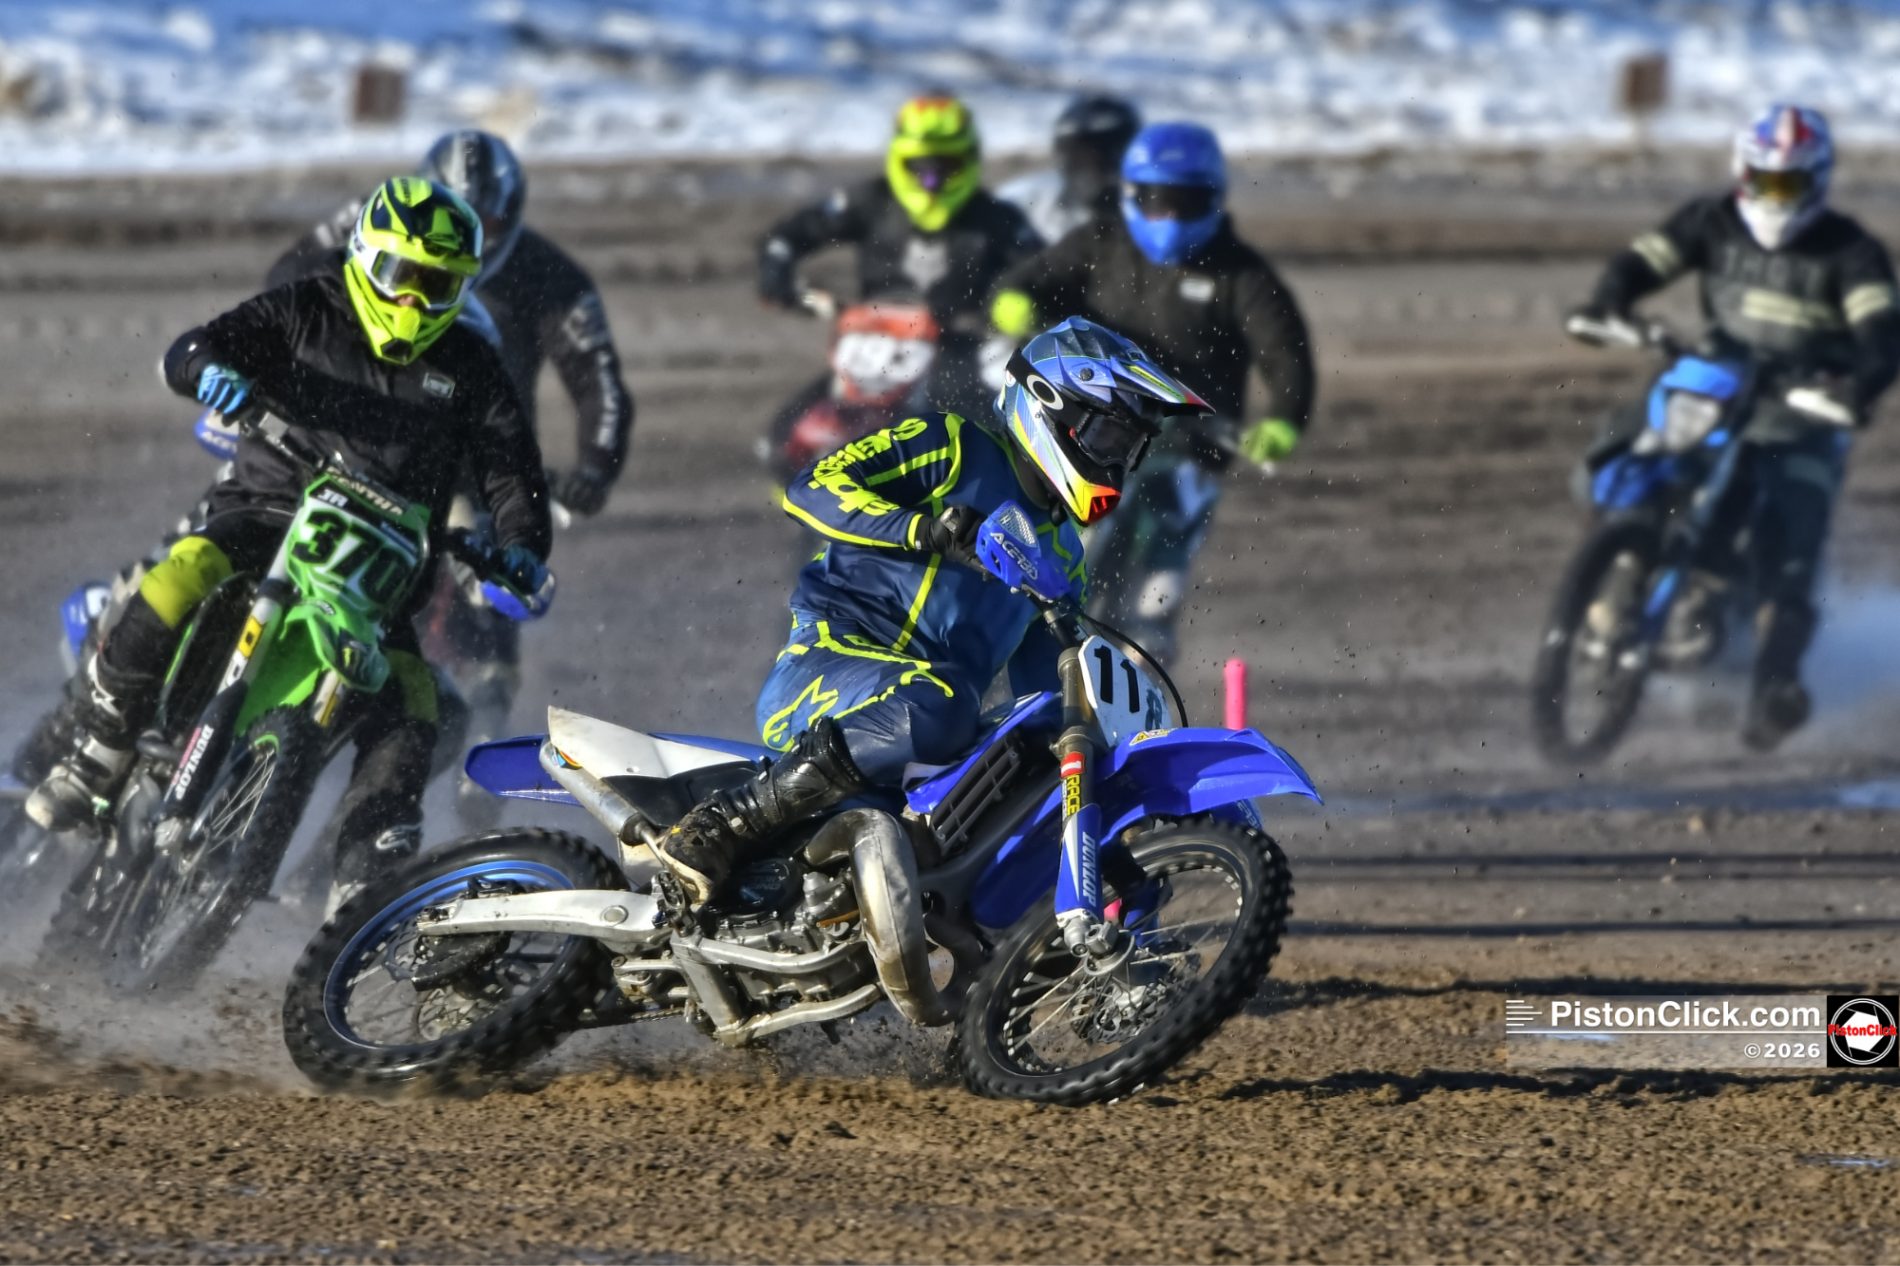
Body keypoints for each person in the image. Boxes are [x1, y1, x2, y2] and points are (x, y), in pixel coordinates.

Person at [27, 178, 553, 897]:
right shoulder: (308, 307)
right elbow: (198, 346)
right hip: (268, 513)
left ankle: (363, 866)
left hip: (384, 571)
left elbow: (512, 471)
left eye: (437, 286)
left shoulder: (471, 366)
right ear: (366, 257)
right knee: (179, 573)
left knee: (419, 705)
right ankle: (101, 746)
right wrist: (211, 372)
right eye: (402, 277)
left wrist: (522, 544)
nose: (412, 302)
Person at [651, 318, 1210, 906]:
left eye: (1131, 450)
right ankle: (725, 823)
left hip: (924, 720)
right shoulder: (953, 444)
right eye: (1110, 440)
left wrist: (1111, 810)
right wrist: (922, 529)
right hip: (829, 663)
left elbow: (1048, 695)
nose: (1117, 462)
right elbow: (811, 487)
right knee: (942, 704)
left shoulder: (1064, 557)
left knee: (1028, 761)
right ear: (1055, 406)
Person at [270, 129, 634, 789]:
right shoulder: (375, 216)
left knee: (487, 574)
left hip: (460, 458)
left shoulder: (552, 277)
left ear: (512, 218)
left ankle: (478, 739)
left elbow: (600, 380)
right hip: (335, 420)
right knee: (246, 495)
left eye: (489, 223)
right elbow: (284, 281)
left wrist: (593, 470)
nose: (475, 237)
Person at [1570, 103, 1900, 749]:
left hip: (1803, 414)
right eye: (1761, 181)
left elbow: (1882, 336)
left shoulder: (1853, 253)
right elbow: (1642, 261)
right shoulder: (1710, 221)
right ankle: (1609, 584)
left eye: (1788, 186)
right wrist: (1609, 304)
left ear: (1817, 182)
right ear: (1741, 174)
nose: (1772, 199)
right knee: (1624, 448)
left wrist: (1855, 387)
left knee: (1794, 544)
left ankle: (1776, 686)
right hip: (1713, 385)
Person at [989, 121, 1315, 660]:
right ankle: (1038, 615)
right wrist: (1013, 303)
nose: (1169, 217)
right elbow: (1027, 280)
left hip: (1196, 442)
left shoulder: (1242, 275)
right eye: (1157, 201)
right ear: (1132, 196)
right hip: (1095, 428)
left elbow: (1286, 353)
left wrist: (1283, 419)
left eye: (1186, 203)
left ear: (1213, 200)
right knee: (1065, 526)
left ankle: (1149, 632)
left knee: (1171, 536)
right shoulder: (1100, 242)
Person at [756, 93, 1043, 430]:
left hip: (962, 353)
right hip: (870, 345)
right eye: (920, 169)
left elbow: (1041, 272)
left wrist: (1016, 304)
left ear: (968, 161)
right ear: (899, 159)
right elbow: (791, 233)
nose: (932, 182)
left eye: (945, 168)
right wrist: (776, 272)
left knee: (988, 428)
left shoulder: (998, 219)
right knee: (785, 437)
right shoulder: (869, 201)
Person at [995, 93, 1142, 246]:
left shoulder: (1154, 211)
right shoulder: (1026, 203)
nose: (1090, 169)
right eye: (1077, 156)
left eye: (1102, 154)